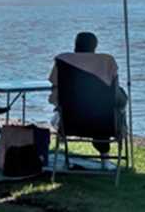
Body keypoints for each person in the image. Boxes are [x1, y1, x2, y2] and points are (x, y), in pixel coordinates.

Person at [48, 32, 128, 160]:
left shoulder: (63, 61)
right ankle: (104, 154)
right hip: (103, 124)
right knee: (110, 106)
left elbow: (54, 92)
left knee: (95, 109)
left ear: (76, 45)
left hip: (70, 122)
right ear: (94, 47)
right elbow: (115, 96)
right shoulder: (106, 62)